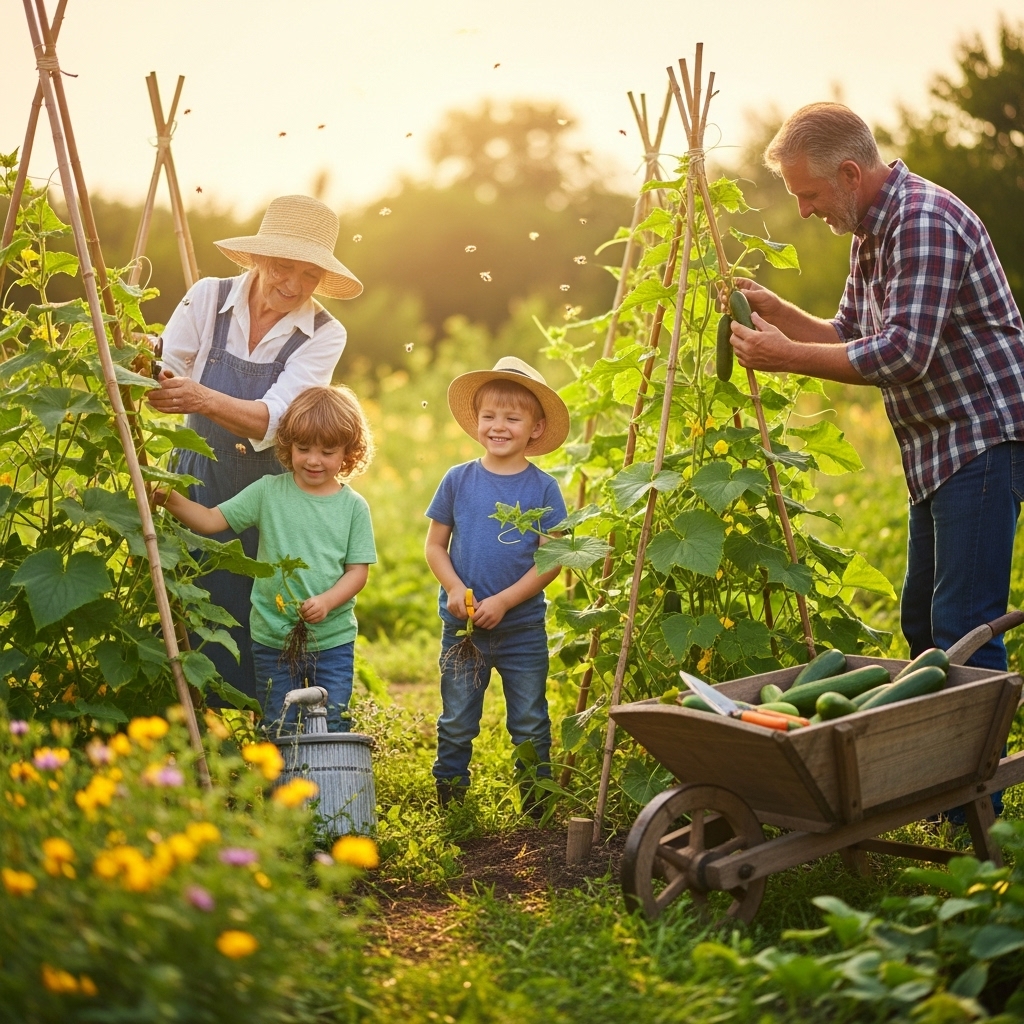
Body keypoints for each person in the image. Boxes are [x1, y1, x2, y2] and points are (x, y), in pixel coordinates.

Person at [726, 102, 1024, 674]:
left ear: (848, 174)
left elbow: (903, 353)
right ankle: (933, 755)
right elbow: (849, 333)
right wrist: (778, 311)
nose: (803, 210)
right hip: (939, 447)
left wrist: (786, 359)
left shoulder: (923, 220)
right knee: (922, 625)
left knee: (964, 627)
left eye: (808, 194)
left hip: (982, 437)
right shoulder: (870, 230)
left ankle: (976, 760)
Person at [146, 195, 362, 701]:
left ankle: (273, 730)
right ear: (259, 258)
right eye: (283, 267)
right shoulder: (206, 298)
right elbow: (164, 378)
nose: (292, 284)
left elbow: (279, 418)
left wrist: (197, 395)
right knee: (190, 601)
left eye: (309, 276)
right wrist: (154, 375)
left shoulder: (325, 333)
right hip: (198, 471)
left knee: (265, 610)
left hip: (274, 493)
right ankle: (190, 718)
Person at [157, 386, 376, 734]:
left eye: (327, 451)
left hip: (332, 639)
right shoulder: (268, 491)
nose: (314, 460)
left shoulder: (352, 507)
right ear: (287, 445)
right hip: (273, 636)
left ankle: (328, 786)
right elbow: (212, 520)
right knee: (279, 722)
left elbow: (357, 574)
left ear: (348, 454)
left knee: (332, 720)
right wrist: (166, 496)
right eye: (303, 449)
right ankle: (282, 786)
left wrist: (327, 601)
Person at [424, 357, 570, 809]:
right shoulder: (458, 480)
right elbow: (434, 547)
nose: (498, 426)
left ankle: (535, 800)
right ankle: (451, 797)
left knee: (529, 718)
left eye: (512, 418)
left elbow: (551, 561)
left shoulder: (544, 489)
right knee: (457, 718)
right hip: (463, 626)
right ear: (476, 423)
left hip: (522, 628)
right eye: (489, 416)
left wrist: (505, 601)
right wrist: (452, 588)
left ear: (536, 428)